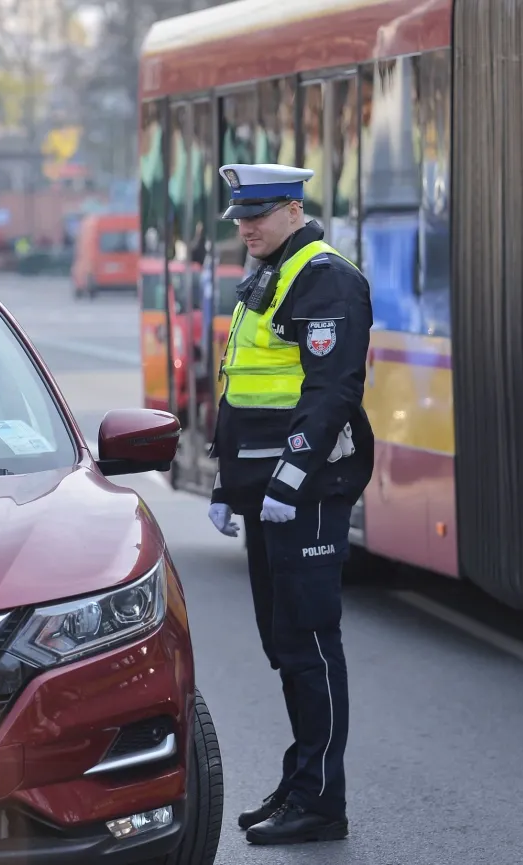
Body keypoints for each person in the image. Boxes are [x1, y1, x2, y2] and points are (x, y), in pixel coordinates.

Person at [206, 163, 375, 845]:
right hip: (264, 495)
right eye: (240, 216)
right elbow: (242, 386)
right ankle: (301, 779)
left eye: (259, 213)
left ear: (293, 208)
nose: (246, 226)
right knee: (284, 644)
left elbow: (331, 391)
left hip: (303, 495)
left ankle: (321, 800)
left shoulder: (325, 276)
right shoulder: (268, 272)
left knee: (309, 644)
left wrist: (290, 476)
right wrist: (226, 483)